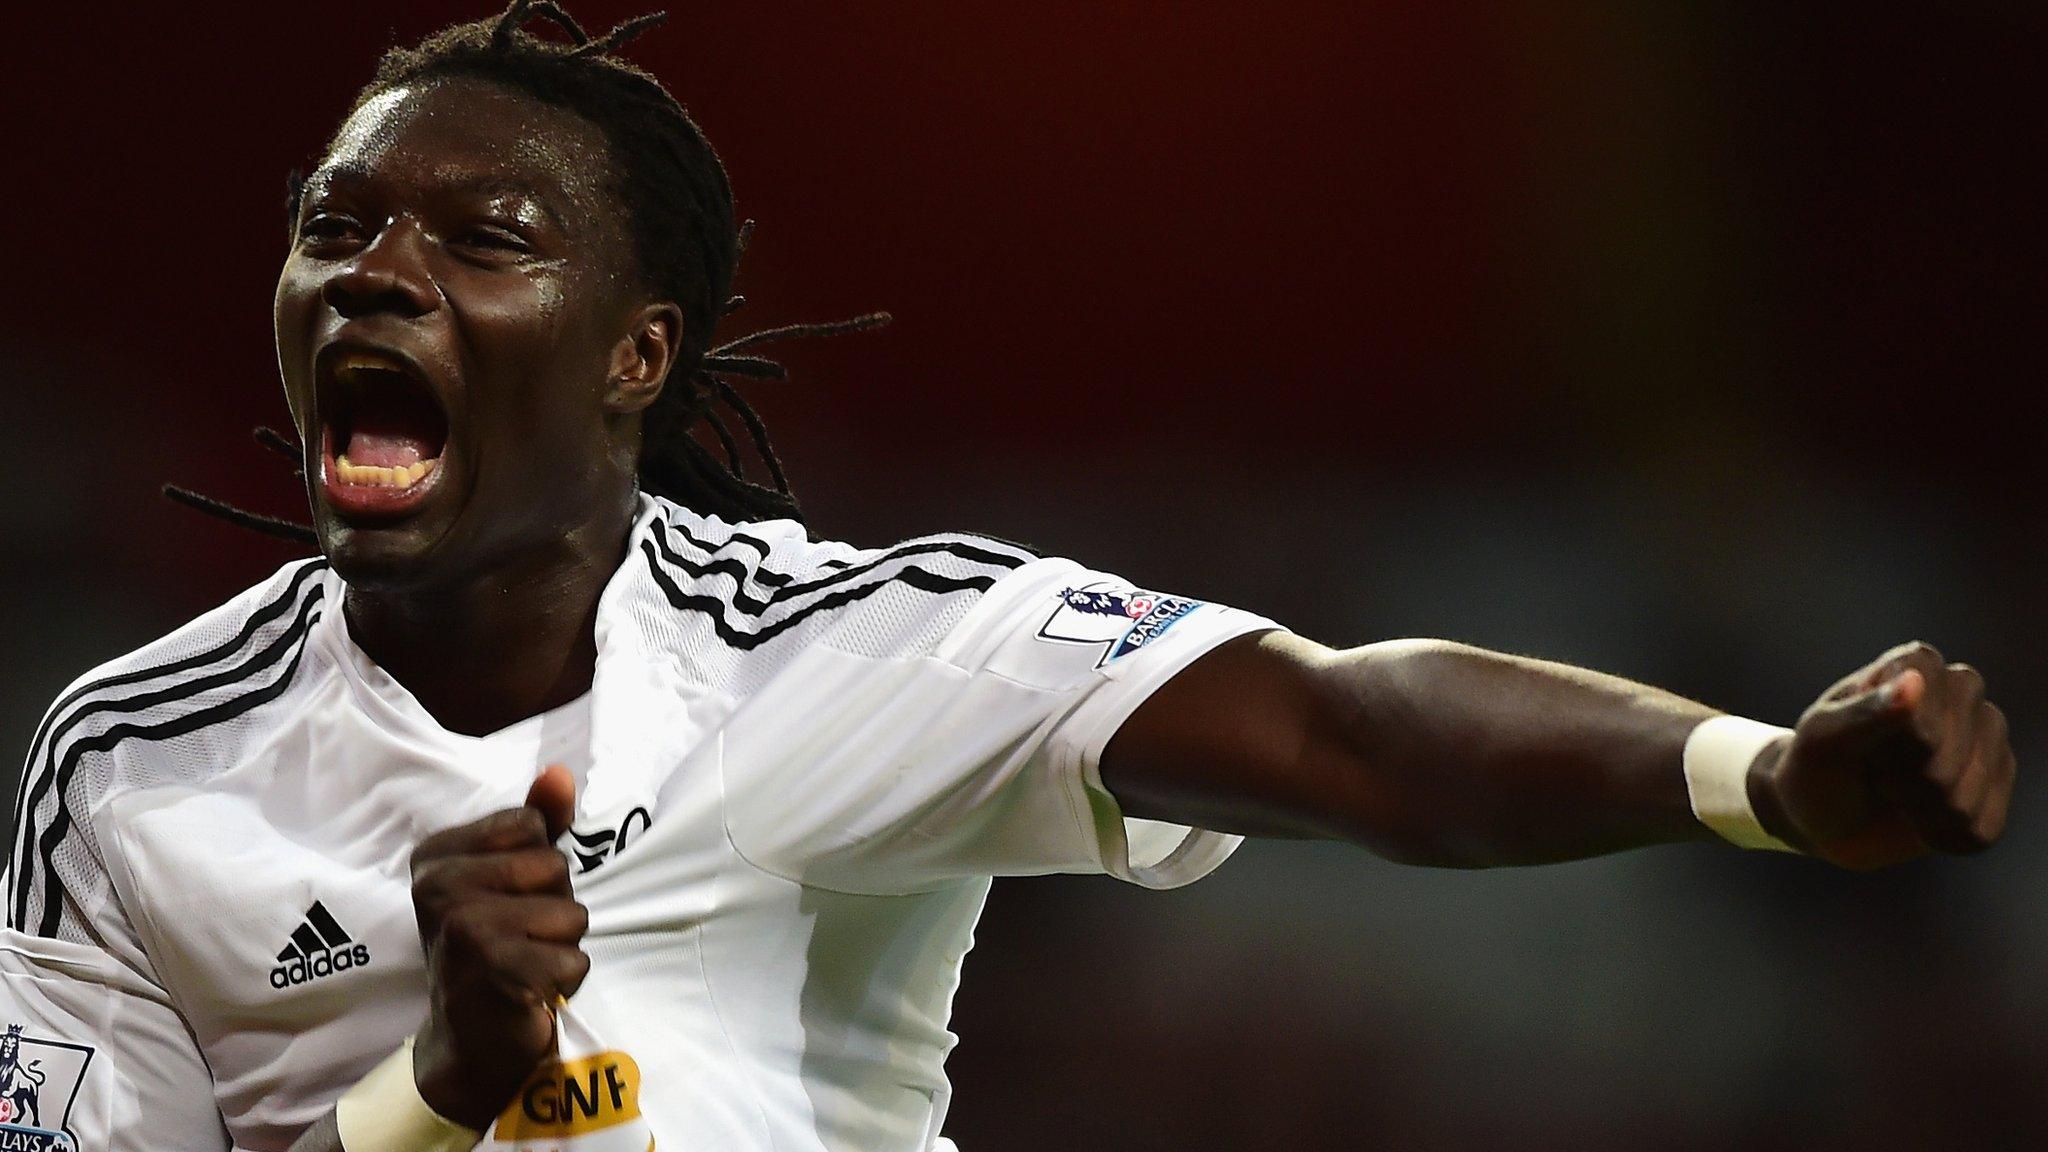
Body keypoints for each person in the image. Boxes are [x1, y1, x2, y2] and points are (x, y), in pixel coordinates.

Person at [0, 5, 2016, 1151]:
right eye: (337, 224)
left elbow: (1343, 726)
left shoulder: (838, 657)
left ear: (640, 352)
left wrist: (1763, 782)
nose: (380, 269)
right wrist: (434, 1098)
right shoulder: (130, 762)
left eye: (485, 236)